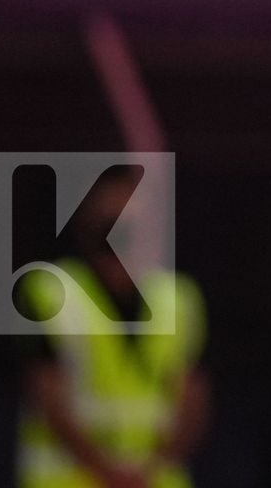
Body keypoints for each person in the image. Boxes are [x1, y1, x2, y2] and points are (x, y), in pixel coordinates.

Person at [15, 165, 210, 488]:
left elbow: (194, 398)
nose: (121, 247)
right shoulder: (50, 293)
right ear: (86, 230)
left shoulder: (178, 299)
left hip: (154, 479)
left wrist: (151, 468)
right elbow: (46, 394)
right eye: (110, 232)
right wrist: (110, 472)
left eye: (133, 232)